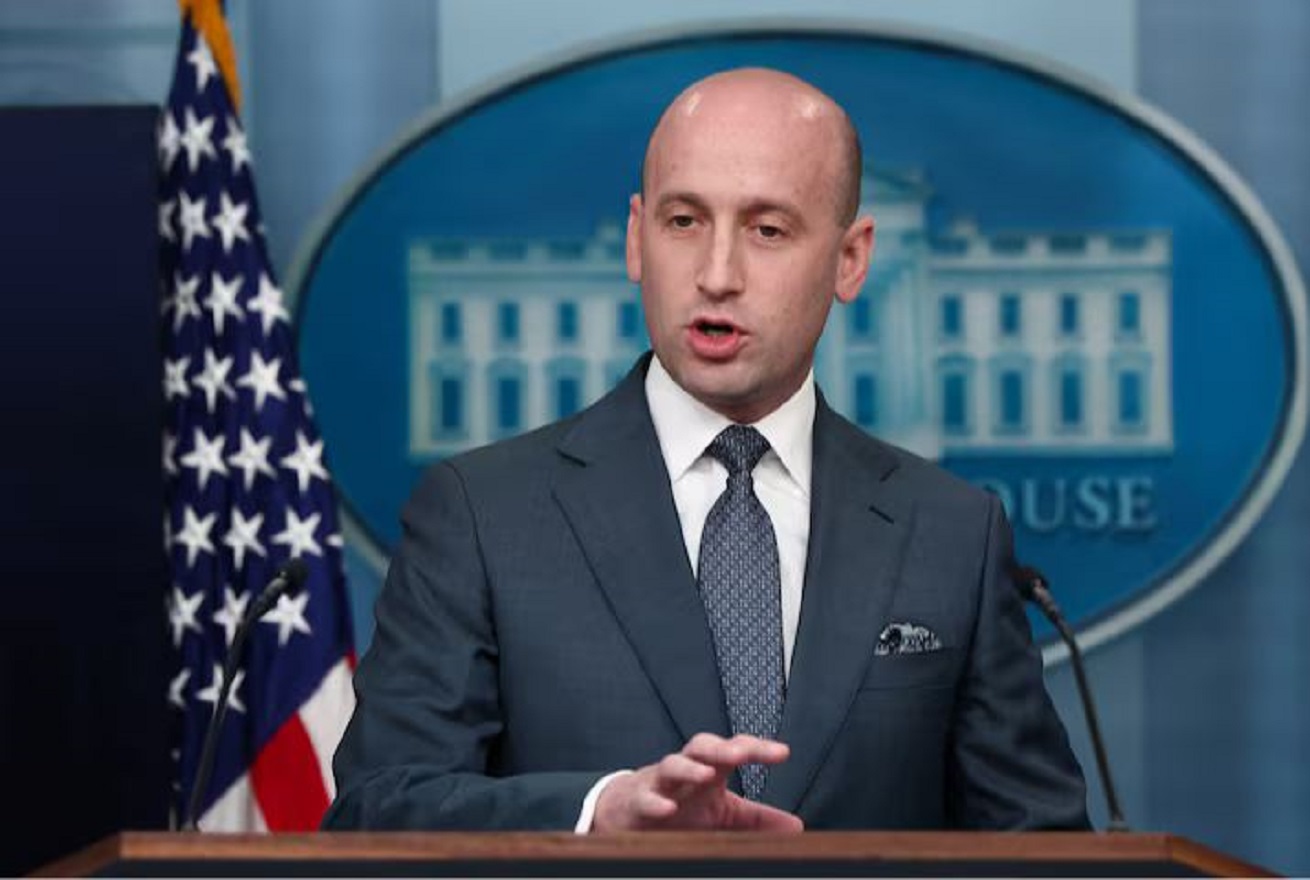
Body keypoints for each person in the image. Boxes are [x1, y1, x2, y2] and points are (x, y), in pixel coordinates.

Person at [324, 67, 1088, 833]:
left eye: (767, 230)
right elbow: (377, 811)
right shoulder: (482, 516)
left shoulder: (952, 534)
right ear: (637, 238)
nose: (717, 276)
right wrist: (595, 815)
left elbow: (1044, 847)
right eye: (684, 221)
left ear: (851, 259)